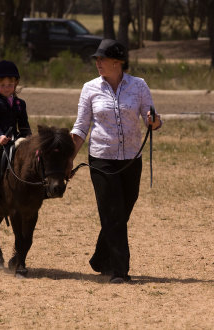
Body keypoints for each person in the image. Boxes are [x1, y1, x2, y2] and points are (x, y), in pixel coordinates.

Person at [68, 39, 162, 284]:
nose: (97, 63)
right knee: (113, 214)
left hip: (132, 158)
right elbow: (80, 127)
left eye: (102, 59)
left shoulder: (139, 86)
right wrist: (69, 158)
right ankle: (120, 271)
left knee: (122, 211)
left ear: (117, 62)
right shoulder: (89, 88)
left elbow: (150, 118)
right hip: (102, 159)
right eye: (97, 59)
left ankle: (100, 258)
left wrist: (154, 120)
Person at [0, 60, 32, 207]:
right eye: (3, 85)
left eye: (10, 84)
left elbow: (23, 123)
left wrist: (29, 137)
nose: (7, 88)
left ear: (16, 83)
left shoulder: (20, 103)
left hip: (13, 137)